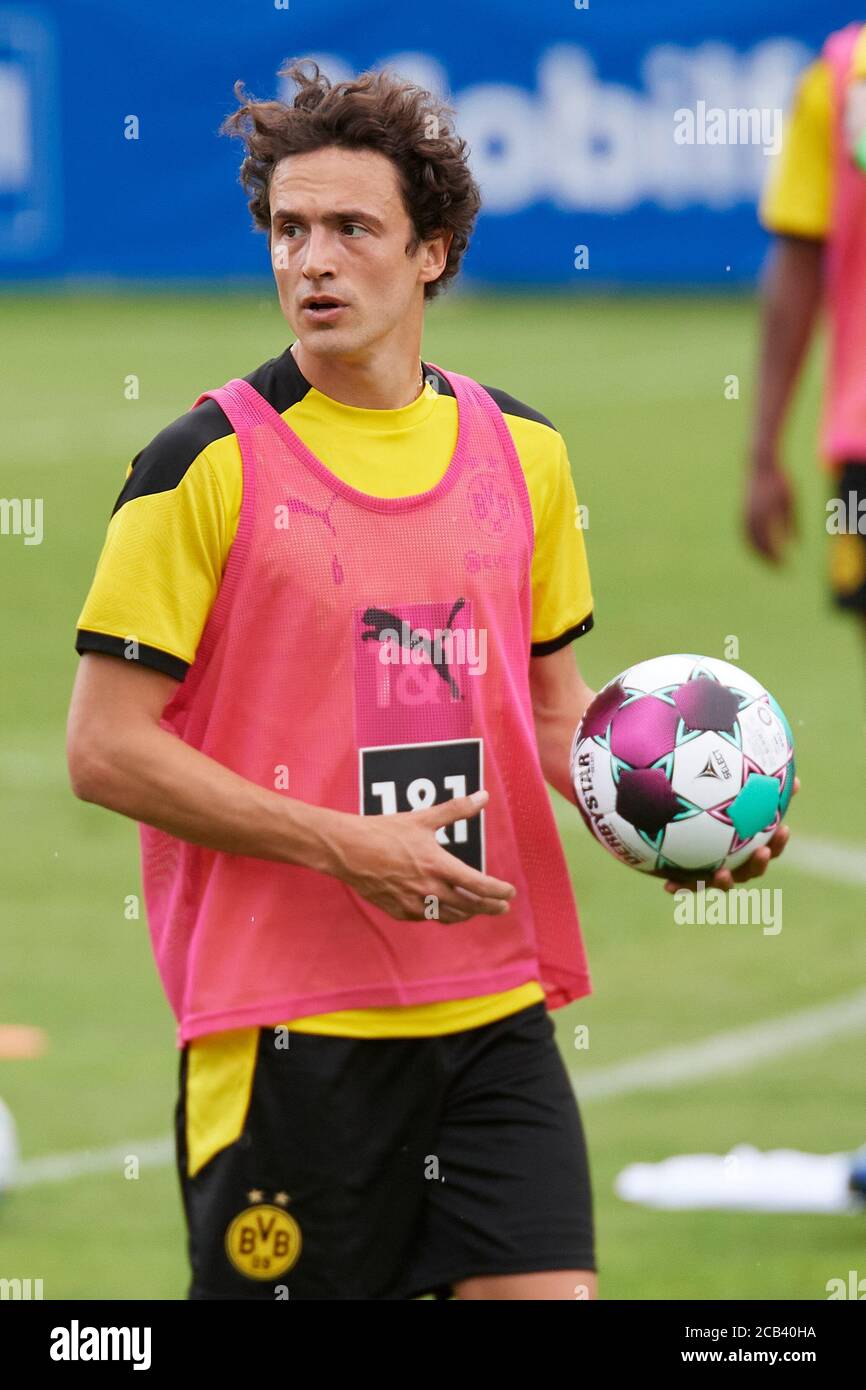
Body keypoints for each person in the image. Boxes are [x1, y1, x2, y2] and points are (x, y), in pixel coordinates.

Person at [67, 60, 789, 1301]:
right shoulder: (200, 465)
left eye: (353, 229)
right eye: (289, 230)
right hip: (289, 1031)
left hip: (490, 1010)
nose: (314, 262)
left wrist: (654, 818)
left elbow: (557, 712)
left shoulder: (525, 452)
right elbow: (105, 749)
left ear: (433, 253)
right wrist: (345, 843)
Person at [747, 20, 866, 651]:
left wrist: (764, 455)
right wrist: (763, 453)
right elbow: (798, 260)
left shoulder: (845, 72)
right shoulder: (842, 74)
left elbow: (797, 260)